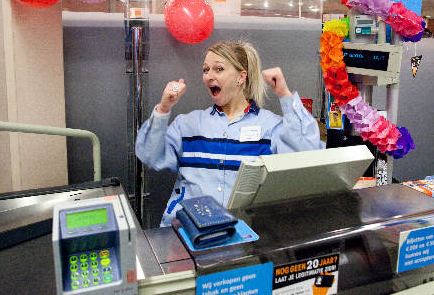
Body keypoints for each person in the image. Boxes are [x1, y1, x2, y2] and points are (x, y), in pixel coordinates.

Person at [135, 40, 324, 226]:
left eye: (218, 69)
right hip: (186, 232)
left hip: (245, 235)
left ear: (241, 77)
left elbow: (305, 155)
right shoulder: (188, 125)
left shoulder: (270, 127)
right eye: (205, 70)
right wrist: (163, 108)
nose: (209, 76)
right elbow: (150, 155)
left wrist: (284, 94)